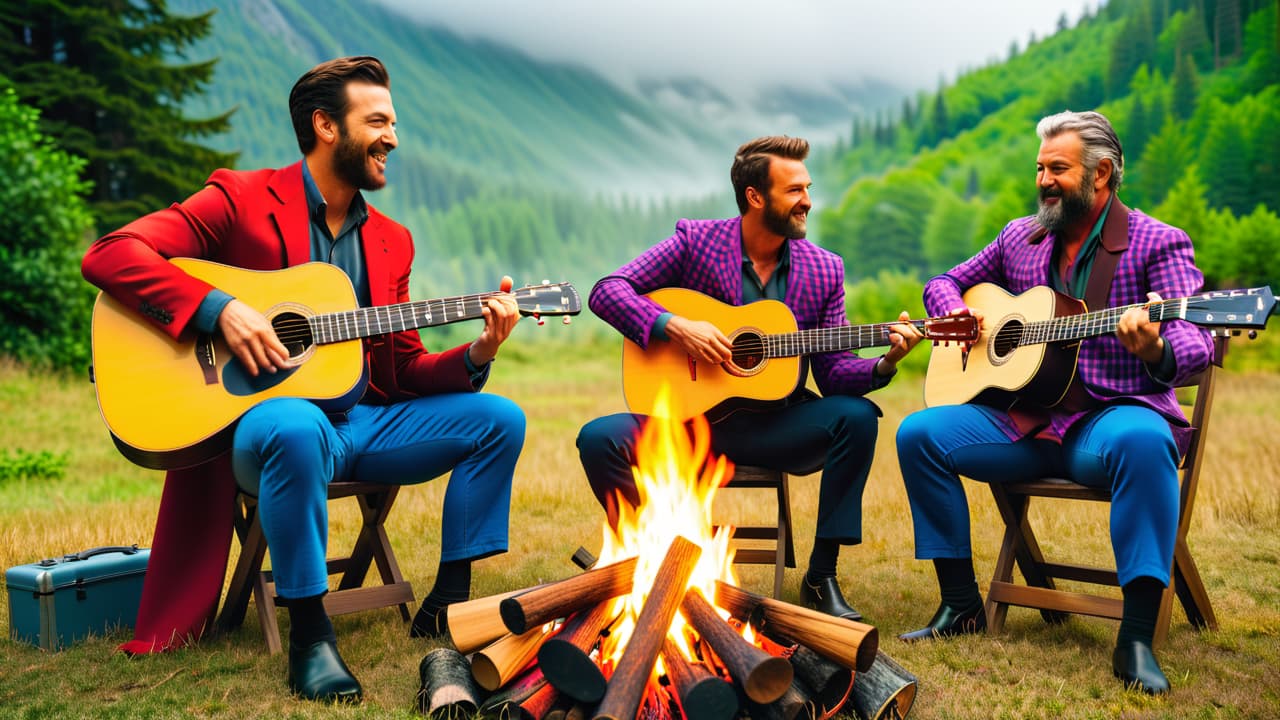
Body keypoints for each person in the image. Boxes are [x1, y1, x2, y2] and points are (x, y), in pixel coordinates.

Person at [81, 56, 526, 703]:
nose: (392, 138)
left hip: (364, 422)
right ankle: (312, 638)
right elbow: (112, 253)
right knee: (293, 424)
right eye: (377, 121)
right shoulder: (239, 200)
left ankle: (448, 603)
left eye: (394, 122)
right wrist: (220, 310)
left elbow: (400, 369)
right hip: (267, 426)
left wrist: (480, 350)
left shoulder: (392, 241)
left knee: (500, 419)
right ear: (324, 125)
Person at [894, 110, 1216, 695]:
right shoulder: (1021, 234)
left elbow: (1196, 343)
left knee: (1147, 441)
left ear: (1102, 174)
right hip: (1026, 425)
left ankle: (1136, 639)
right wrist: (960, 311)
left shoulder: (1156, 241)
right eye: (1039, 167)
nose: (1042, 179)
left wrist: (1156, 349)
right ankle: (962, 606)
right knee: (918, 435)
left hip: (1107, 424)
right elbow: (942, 281)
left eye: (1057, 169)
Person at [578, 135, 922, 620]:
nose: (807, 200)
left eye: (808, 187)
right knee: (597, 440)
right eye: (794, 190)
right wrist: (674, 326)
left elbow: (835, 373)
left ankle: (821, 575)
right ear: (755, 197)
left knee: (858, 417)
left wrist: (885, 363)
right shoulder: (694, 242)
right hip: (689, 425)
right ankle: (652, 559)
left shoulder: (824, 269)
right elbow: (607, 290)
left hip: (774, 428)